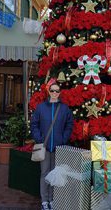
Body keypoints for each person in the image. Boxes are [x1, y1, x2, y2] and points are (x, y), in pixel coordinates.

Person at [30, 82, 74, 210]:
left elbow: (69, 125)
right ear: (48, 92)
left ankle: (52, 199)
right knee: (45, 173)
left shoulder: (64, 109)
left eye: (57, 91)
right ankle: (44, 200)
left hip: (58, 147)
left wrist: (63, 139)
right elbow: (34, 124)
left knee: (56, 174)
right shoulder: (41, 107)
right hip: (44, 147)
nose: (54, 93)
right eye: (52, 91)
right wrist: (39, 139)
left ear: (60, 92)